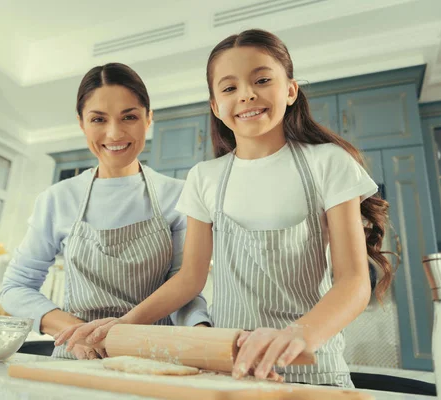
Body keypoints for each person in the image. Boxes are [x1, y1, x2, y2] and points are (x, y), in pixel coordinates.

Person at [59, 29, 393, 388]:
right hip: (228, 370)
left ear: (291, 90)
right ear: (216, 106)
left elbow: (354, 283)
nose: (247, 94)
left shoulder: (328, 163)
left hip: (314, 369)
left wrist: (298, 335)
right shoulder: (205, 177)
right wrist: (125, 323)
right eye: (229, 88)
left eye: (262, 80)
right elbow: (190, 279)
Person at [0, 62, 211, 360]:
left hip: (152, 358)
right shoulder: (58, 199)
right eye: (98, 119)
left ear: (148, 120)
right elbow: (15, 287)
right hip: (77, 356)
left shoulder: (179, 195)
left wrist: (201, 330)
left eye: (129, 117)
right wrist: (80, 332)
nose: (114, 133)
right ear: (81, 123)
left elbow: (185, 286)